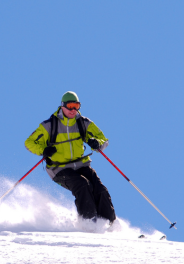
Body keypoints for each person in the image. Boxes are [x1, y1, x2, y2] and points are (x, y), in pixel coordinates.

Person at [25, 91, 116, 225]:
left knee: (99, 188)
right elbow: (29, 143)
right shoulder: (49, 125)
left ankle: (109, 224)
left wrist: (97, 143)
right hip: (59, 168)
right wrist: (43, 150)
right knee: (83, 185)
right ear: (62, 106)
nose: (73, 110)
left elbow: (103, 139)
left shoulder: (83, 123)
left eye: (77, 106)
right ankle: (89, 222)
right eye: (70, 106)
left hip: (81, 165)